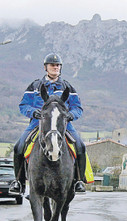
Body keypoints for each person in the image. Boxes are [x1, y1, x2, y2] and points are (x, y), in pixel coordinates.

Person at [9, 53, 87, 194]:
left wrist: (70, 115)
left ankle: (79, 181)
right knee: (18, 147)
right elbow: (24, 105)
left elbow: (77, 107)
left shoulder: (67, 87)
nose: (55, 67)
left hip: (63, 124)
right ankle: (19, 182)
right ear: (46, 67)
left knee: (80, 146)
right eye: (52, 65)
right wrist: (33, 112)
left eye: (57, 65)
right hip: (38, 124)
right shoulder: (35, 86)